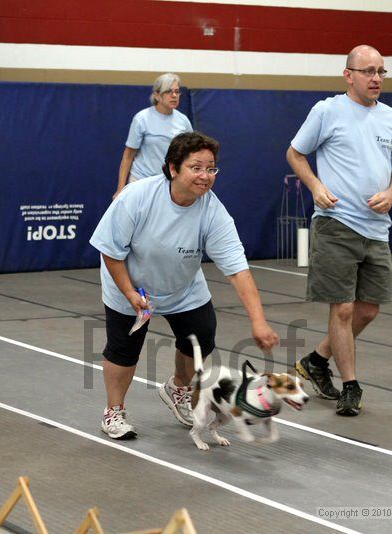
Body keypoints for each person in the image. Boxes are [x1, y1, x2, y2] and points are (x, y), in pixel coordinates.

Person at [91, 132, 279, 439]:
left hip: (183, 287)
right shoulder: (137, 197)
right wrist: (128, 293)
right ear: (173, 168)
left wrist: (258, 322)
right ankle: (114, 412)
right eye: (196, 167)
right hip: (131, 286)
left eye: (211, 168)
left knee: (202, 336)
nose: (205, 176)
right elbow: (110, 251)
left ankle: (178, 387)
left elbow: (237, 269)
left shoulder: (212, 211)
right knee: (124, 350)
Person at [286, 44, 392, 417]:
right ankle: (350, 385)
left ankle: (316, 359)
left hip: (377, 229)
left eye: (381, 72)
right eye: (368, 71)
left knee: (368, 309)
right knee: (342, 308)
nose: (376, 78)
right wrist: (315, 186)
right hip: (336, 224)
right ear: (349, 75)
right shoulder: (327, 111)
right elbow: (295, 153)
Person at [113, 73, 193, 199]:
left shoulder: (183, 121)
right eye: (168, 91)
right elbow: (128, 156)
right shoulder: (142, 118)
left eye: (177, 92)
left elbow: (190, 155)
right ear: (156, 95)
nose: (174, 96)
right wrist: (120, 189)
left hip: (169, 183)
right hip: (140, 180)